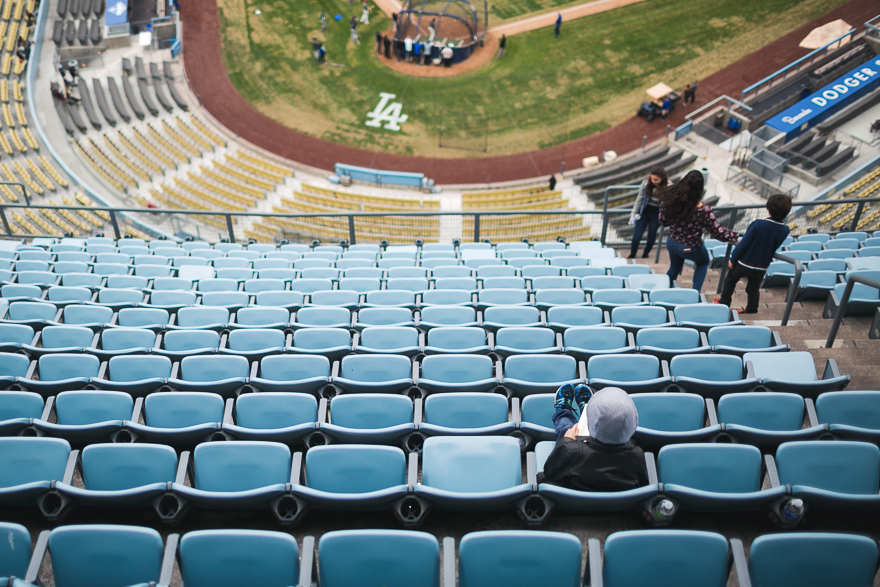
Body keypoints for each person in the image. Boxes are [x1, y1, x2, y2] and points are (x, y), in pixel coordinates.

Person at [538, 385, 649, 492]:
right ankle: (585, 409)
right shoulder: (637, 456)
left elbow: (550, 473)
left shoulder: (569, 450)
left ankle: (563, 411)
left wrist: (566, 440)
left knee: (566, 428)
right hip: (618, 509)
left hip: (575, 507)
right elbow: (642, 486)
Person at [659, 170, 738, 292]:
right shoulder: (704, 210)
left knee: (674, 268)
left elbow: (662, 221)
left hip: (672, 242)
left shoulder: (672, 202)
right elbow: (717, 232)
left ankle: (664, 291)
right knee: (703, 263)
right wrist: (733, 236)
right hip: (691, 247)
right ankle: (695, 293)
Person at [717, 194, 792, 314]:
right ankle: (752, 309)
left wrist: (733, 259)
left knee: (730, 280)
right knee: (753, 288)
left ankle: (724, 303)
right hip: (762, 266)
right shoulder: (785, 230)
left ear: (768, 208)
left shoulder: (758, 224)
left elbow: (743, 244)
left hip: (744, 263)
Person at [628, 166, 668, 259]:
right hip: (644, 212)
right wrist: (633, 214)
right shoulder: (646, 183)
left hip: (656, 214)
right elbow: (640, 198)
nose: (653, 181)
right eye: (652, 178)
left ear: (662, 178)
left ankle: (646, 253)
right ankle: (633, 253)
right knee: (637, 236)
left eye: (656, 180)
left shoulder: (668, 187)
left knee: (651, 236)